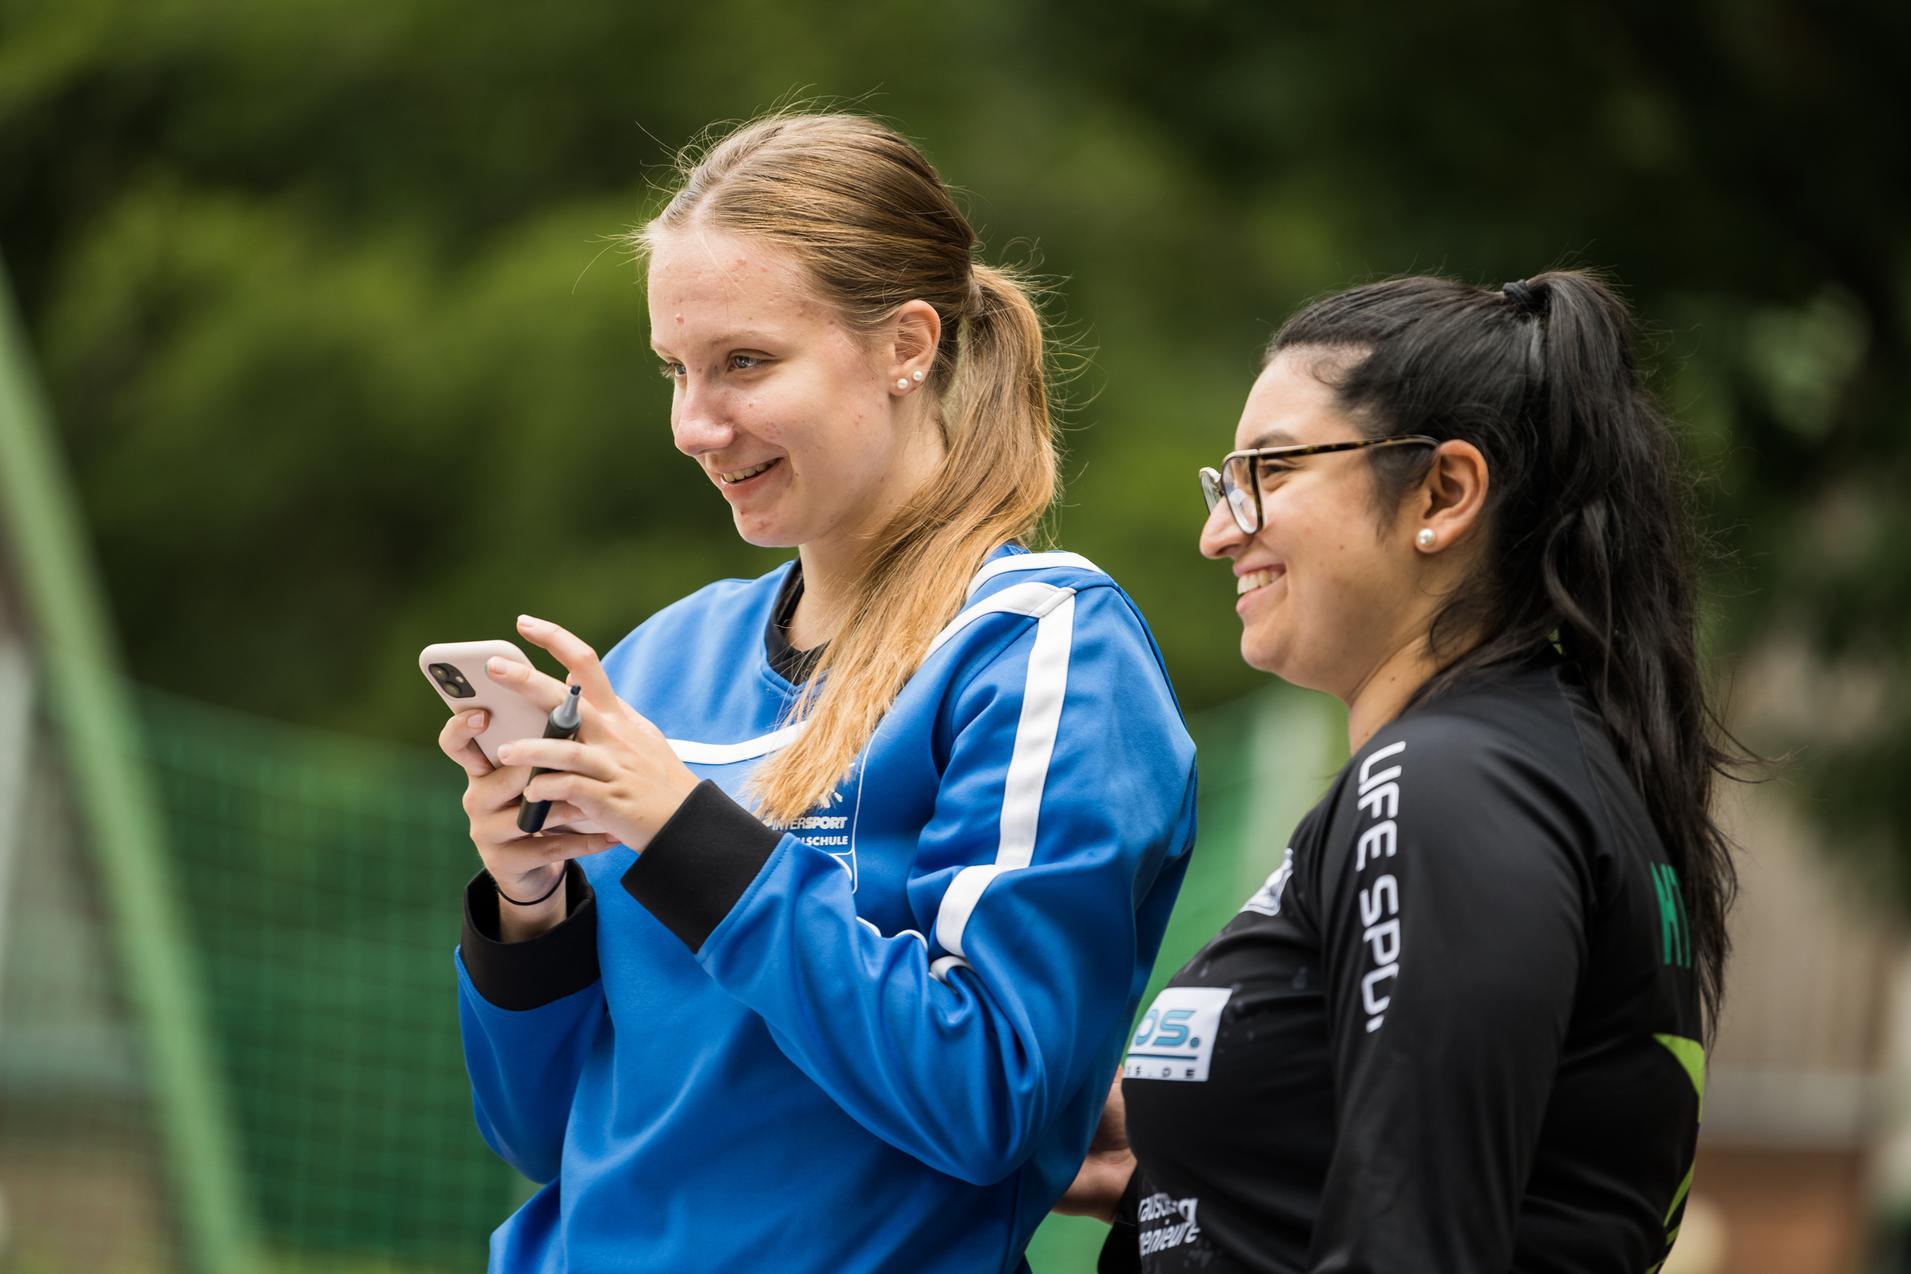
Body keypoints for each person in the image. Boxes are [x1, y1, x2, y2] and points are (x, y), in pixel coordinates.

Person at [436, 112, 1197, 1273]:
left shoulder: (1039, 643)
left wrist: (683, 832)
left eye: (745, 361)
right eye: (677, 372)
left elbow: (989, 1094)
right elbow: (543, 1132)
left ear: (905, 344)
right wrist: (529, 905)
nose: (697, 424)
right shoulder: (660, 659)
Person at [1062, 270, 1737, 1273]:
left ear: (1444, 491)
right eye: (1225, 481)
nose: (1220, 529)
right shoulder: (1527, 763)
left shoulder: (1445, 784)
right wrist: (1200, 1171)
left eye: (1272, 470)